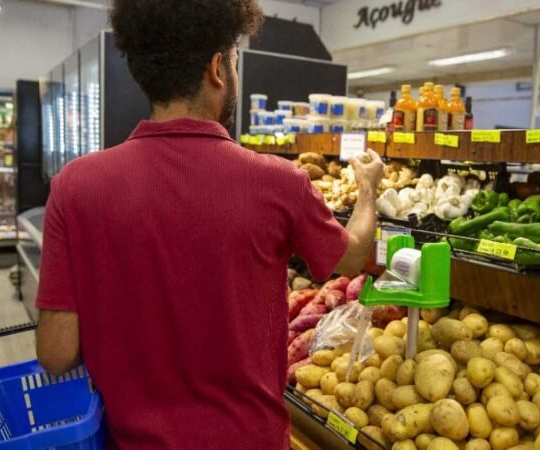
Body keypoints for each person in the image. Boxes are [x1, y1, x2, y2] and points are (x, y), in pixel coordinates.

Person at [34, 1, 384, 448]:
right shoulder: (279, 183)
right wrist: (368, 189)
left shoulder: (74, 186)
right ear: (218, 69)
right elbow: (353, 255)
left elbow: (57, 354)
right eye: (235, 59)